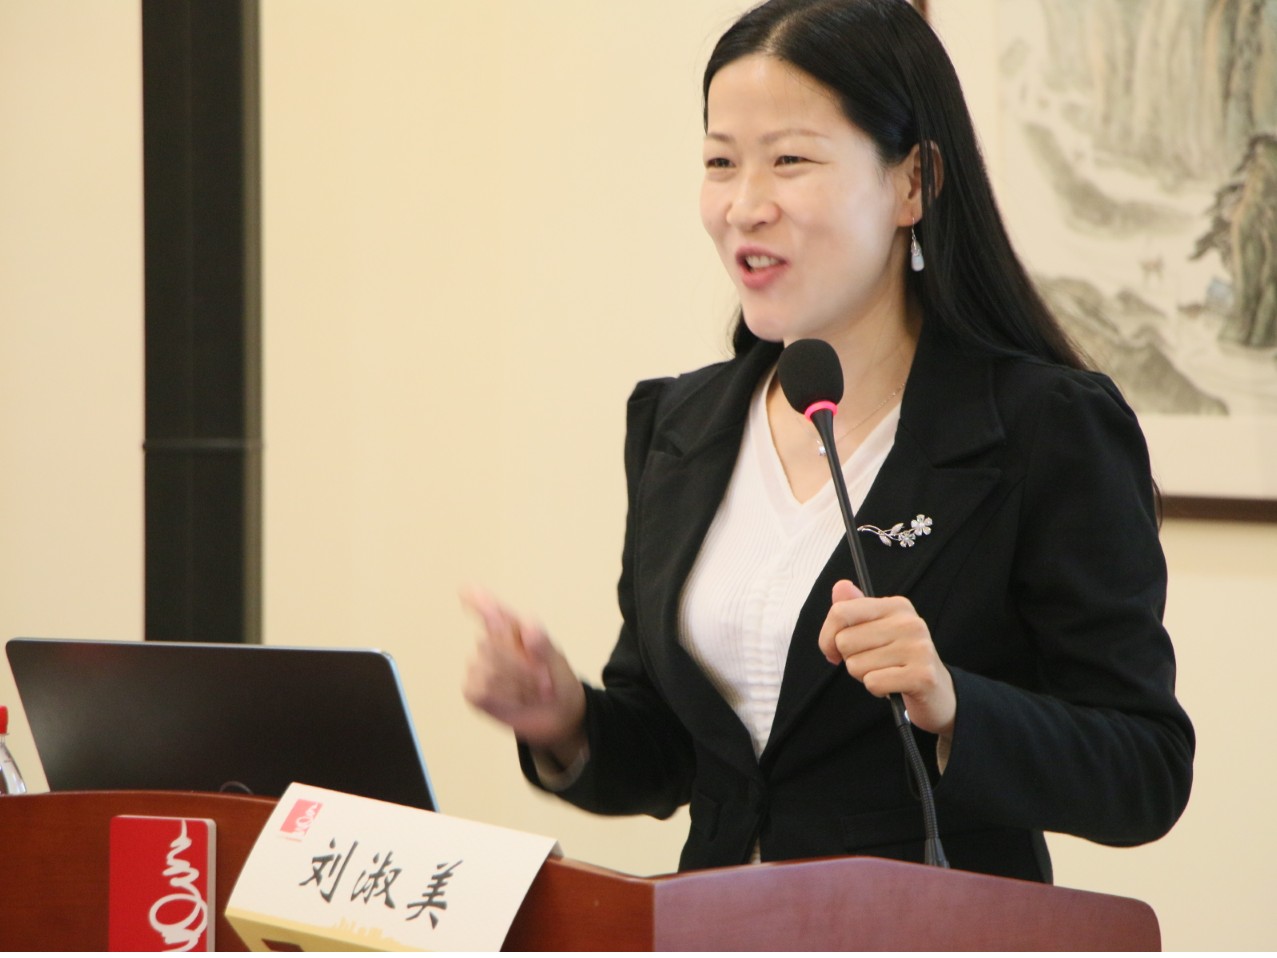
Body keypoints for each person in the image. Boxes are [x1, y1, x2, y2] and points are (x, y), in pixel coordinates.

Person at [462, 0, 1193, 883]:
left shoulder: (1045, 426)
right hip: (713, 928)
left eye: (790, 161)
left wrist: (952, 704)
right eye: (720, 162)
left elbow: (1144, 770)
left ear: (913, 182)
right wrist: (564, 719)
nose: (743, 206)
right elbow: (680, 754)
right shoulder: (678, 425)